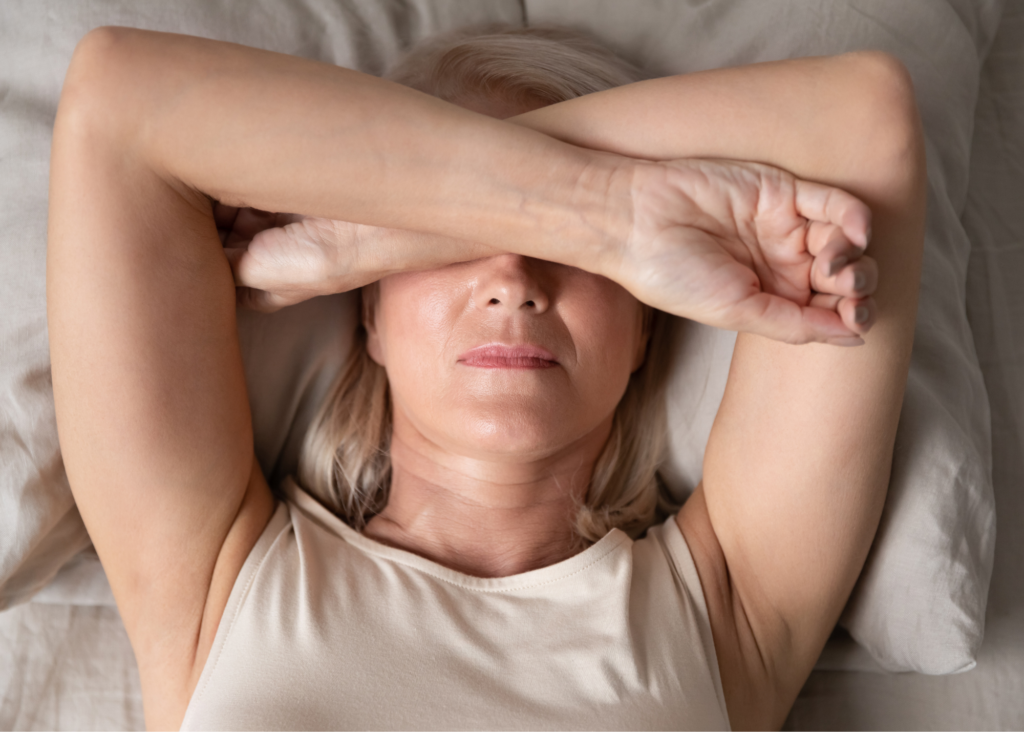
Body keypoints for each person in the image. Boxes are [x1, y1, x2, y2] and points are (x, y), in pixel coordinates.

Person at [46, 21, 924, 731]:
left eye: (573, 256)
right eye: (454, 243)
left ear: (645, 327)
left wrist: (372, 231)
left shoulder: (728, 608)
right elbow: (119, 98)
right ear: (369, 314)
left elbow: (862, 117)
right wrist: (605, 212)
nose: (514, 280)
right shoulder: (215, 581)